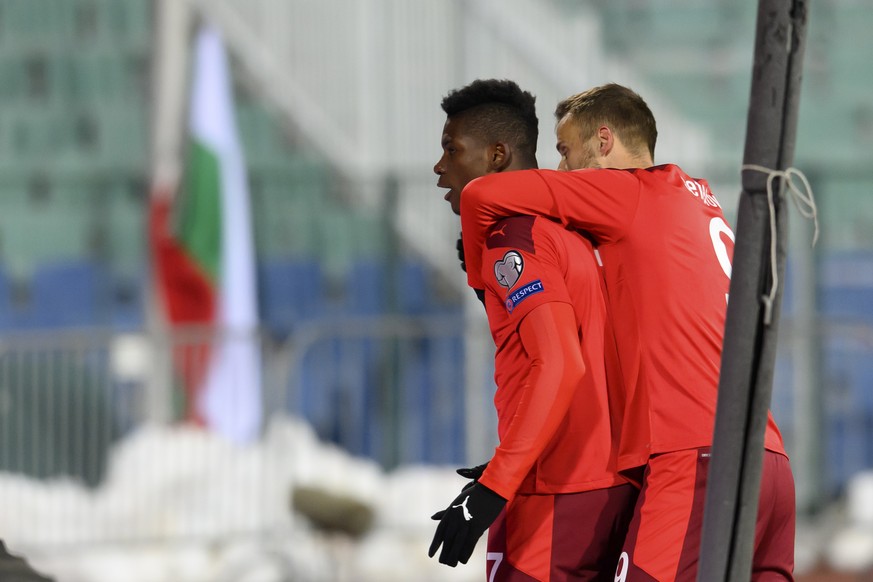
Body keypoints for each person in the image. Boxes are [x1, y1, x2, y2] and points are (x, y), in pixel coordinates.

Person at [459, 83, 796, 581]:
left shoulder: (630, 192)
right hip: (770, 460)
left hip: (695, 456)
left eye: (565, 151)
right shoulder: (700, 202)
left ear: (603, 140)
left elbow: (481, 193)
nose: (561, 170)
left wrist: (481, 280)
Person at [428, 78, 637, 581]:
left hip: (557, 492)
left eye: (451, 150)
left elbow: (560, 362)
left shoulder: (511, 237)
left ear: (497, 156)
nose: (439, 169)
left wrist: (494, 488)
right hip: (608, 483)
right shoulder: (574, 232)